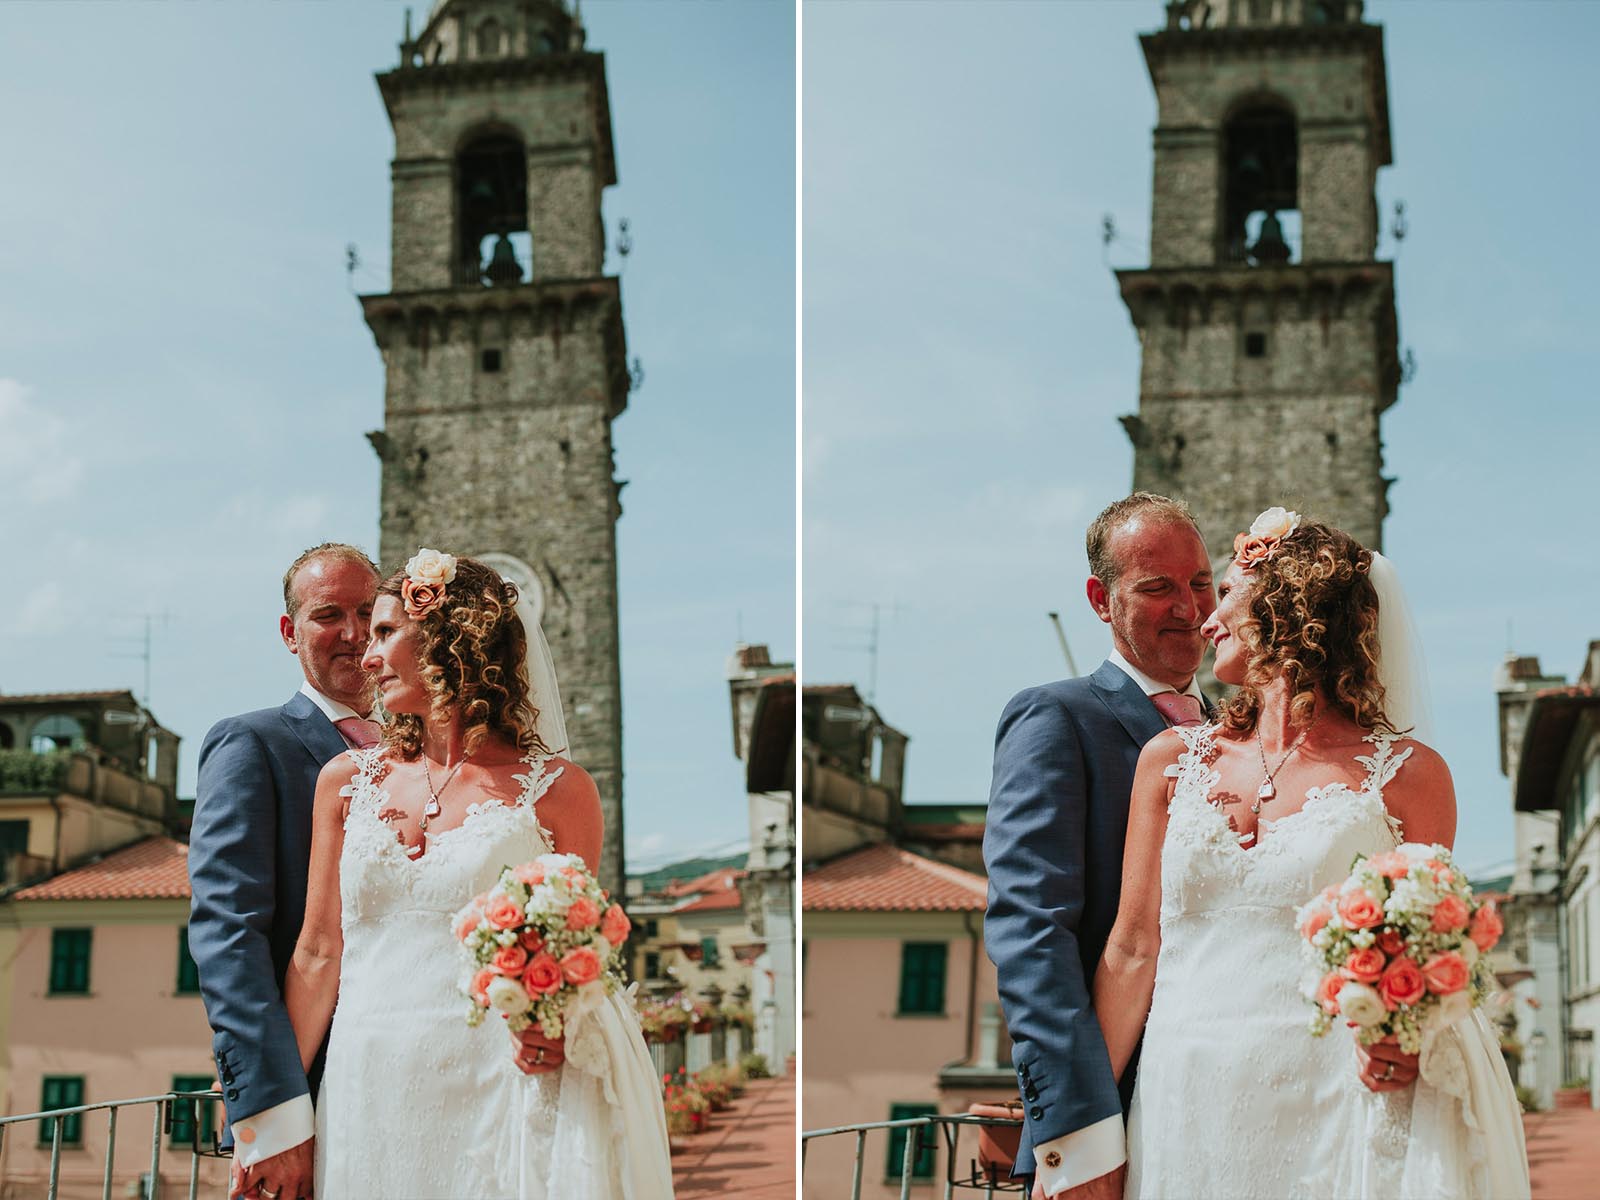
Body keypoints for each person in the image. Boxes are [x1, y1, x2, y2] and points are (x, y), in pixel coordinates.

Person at [1095, 510, 1529, 1198]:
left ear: (1285, 606)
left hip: (1337, 1097)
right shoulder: (1170, 763)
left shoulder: (1410, 775)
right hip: (1186, 1093)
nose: (1207, 620)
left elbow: (1432, 952)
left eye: (1227, 593)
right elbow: (1131, 949)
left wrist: (1406, 1034)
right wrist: (1076, 1132)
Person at [285, 550, 672, 1199]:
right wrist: (275, 1113)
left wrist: (554, 1023)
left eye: (384, 632)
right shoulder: (345, 784)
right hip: (366, 1083)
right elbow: (319, 951)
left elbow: (582, 952)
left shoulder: (557, 792)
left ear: (446, 635)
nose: (366, 656)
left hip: (497, 1083)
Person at [983, 493, 1216, 1200]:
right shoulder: (1055, 717)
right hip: (1119, 1114)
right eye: (1157, 587)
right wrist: (1079, 1136)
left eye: (1201, 583)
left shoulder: (1253, 734)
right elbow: (1030, 933)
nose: (1188, 606)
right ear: (1101, 599)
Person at [188, 544, 383, 1200]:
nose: (353, 633)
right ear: (289, 631)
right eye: (329, 614)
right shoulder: (251, 742)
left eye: (367, 612)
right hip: (314, 1098)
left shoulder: (430, 759)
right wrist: (272, 1117)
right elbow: (227, 938)